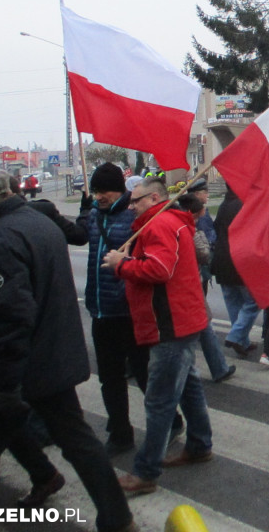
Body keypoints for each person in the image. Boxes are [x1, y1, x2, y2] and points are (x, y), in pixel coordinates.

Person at [0, 168, 134, 532]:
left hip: (14, 367)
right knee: (80, 443)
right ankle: (118, 518)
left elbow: (9, 316)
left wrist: (4, 384)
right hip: (52, 358)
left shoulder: (0, 240)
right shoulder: (40, 224)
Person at [102, 177, 213, 495]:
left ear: (153, 199)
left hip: (171, 324)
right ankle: (200, 445)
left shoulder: (159, 224)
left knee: (159, 400)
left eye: (135, 200)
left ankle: (145, 472)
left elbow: (159, 270)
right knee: (188, 388)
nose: (131, 205)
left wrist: (122, 264)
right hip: (181, 319)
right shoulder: (167, 221)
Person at [74, 163, 152, 456]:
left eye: (103, 191)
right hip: (101, 310)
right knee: (110, 378)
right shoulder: (94, 216)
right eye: (95, 191)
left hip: (128, 311)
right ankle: (120, 433)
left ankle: (171, 422)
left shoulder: (133, 217)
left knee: (144, 375)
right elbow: (78, 235)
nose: (99, 197)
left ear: (119, 190)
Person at [175, 193, 236, 382]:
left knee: (202, 324)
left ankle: (218, 367)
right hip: (187, 283)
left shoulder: (177, 222)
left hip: (189, 281)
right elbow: (202, 253)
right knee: (201, 324)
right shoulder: (185, 227)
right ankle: (213, 368)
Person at [210, 188, 260, 358]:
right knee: (255, 300)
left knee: (234, 303)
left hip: (222, 260)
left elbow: (216, 227)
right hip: (239, 260)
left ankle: (242, 340)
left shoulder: (225, 204)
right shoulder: (242, 205)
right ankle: (236, 335)